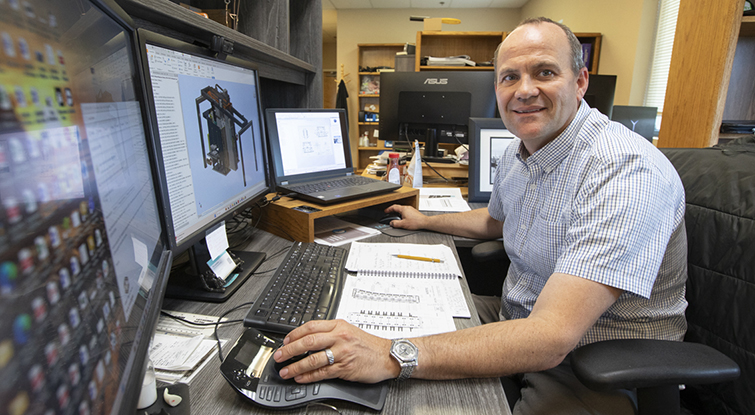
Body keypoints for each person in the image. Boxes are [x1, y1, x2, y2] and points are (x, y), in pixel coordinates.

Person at [273, 17, 688, 414]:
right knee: (371, 318)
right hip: (515, 317)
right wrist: (425, 221)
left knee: (392, 360)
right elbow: (496, 221)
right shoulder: (520, 152)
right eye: (510, 77)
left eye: (544, 72)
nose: (524, 90)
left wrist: (390, 355)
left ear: (580, 82)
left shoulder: (624, 170)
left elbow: (551, 336)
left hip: (594, 360)